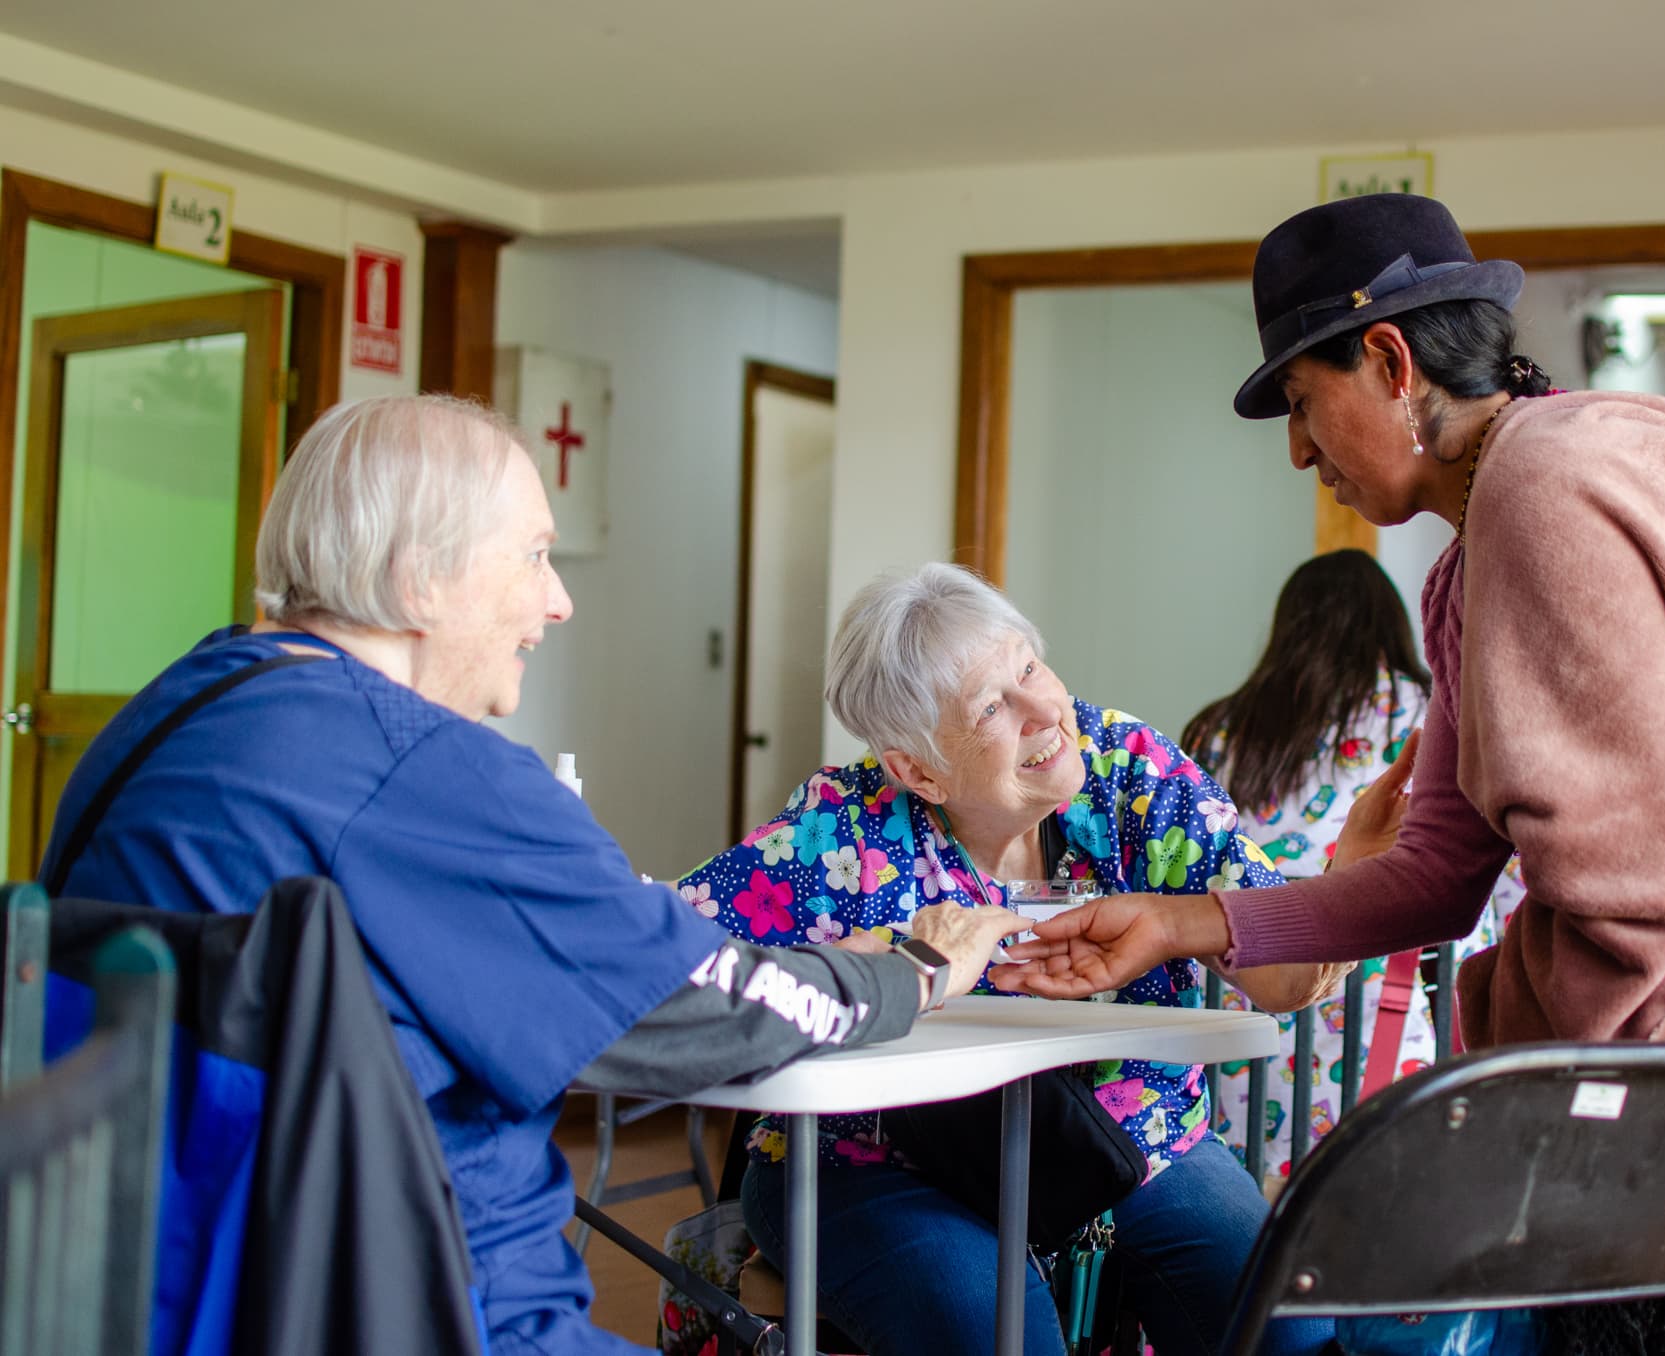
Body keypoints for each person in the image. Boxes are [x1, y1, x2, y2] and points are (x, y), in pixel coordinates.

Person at [997, 194, 1665, 1354]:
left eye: (1302, 404)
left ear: (1389, 362)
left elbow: (1638, 896)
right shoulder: (1511, 523)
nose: (1297, 451)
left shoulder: (1540, 492)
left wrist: (1488, 1027)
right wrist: (1179, 920)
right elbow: (1440, 868)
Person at [43, 395, 1021, 1356]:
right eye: (533, 553)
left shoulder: (164, 718)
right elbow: (697, 1009)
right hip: (429, 1304)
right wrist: (911, 969)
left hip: (182, 1296)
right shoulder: (417, 767)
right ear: (419, 576)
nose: (557, 600)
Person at [679, 562, 1339, 1356]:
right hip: (876, 1159)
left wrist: (1184, 922)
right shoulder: (839, 835)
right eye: (992, 706)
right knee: (1003, 1337)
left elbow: (1287, 980)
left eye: (1029, 667)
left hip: (1133, 1126)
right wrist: (843, 969)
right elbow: (659, 961)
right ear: (916, 770)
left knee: (1288, 1327)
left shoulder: (1130, 774)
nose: (1044, 712)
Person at [1181, 548, 1524, 1189]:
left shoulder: (1219, 731)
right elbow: (1497, 871)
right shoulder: (1425, 711)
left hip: (1253, 1011)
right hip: (1385, 1005)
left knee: (1265, 1206)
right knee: (1384, 1202)